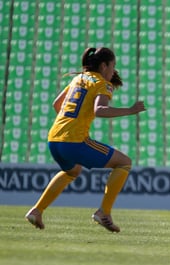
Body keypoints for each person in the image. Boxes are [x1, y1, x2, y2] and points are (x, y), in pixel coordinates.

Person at [25, 47, 146, 232]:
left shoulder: (78, 79)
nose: (114, 71)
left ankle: (37, 210)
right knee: (124, 163)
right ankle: (104, 212)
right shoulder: (102, 84)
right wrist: (130, 110)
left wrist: (71, 123)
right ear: (104, 65)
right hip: (73, 141)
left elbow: (56, 104)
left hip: (54, 139)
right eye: (113, 66)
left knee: (72, 172)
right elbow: (100, 110)